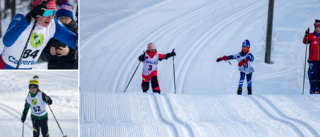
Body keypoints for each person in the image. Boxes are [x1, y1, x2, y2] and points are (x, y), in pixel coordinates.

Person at [0, 0, 77, 69]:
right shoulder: (22, 17)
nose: (50, 18)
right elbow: (7, 42)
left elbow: (75, 43)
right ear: (36, 11)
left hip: (26, 69)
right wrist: (29, 18)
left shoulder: (54, 24)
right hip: (6, 65)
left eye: (53, 12)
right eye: (47, 13)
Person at [39, 2, 77, 69]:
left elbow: (82, 56)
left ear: (71, 18)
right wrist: (49, 52)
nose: (63, 20)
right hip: (53, 69)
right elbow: (40, 53)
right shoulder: (50, 30)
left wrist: (69, 52)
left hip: (71, 69)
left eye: (66, 18)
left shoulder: (76, 31)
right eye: (61, 18)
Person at [303, 19, 320, 94]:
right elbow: (305, 42)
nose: (318, 29)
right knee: (313, 75)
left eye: (319, 28)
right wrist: (306, 35)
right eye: (316, 28)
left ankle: (319, 90)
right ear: (315, 28)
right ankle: (313, 90)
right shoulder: (311, 36)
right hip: (312, 59)